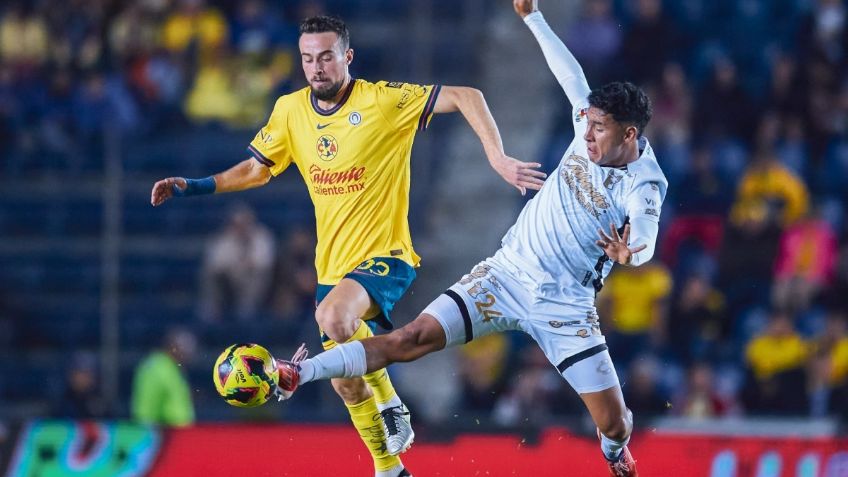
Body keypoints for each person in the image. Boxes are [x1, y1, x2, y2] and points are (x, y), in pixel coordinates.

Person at [275, 2, 667, 476]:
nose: (586, 133)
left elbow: (645, 236)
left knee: (617, 422)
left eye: (598, 129)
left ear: (629, 134)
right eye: (586, 122)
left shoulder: (645, 183)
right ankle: (299, 372)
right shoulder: (590, 119)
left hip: (566, 306)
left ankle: (612, 452)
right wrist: (533, 18)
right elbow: (568, 71)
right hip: (504, 275)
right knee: (410, 338)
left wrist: (633, 253)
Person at [150, 15, 544, 477]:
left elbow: (466, 95)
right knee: (347, 384)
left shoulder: (382, 101)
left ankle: (393, 402)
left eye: (326, 56)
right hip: (331, 271)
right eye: (307, 59)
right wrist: (194, 186)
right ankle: (388, 467)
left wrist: (497, 157)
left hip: (386, 257)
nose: (316, 68)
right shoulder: (291, 110)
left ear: (347, 57)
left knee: (334, 318)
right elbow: (258, 169)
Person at [131, 327, 197, 427]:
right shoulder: (157, 368)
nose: (188, 353)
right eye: (185, 348)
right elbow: (145, 410)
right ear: (172, 346)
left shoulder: (172, 368)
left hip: (179, 435)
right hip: (165, 436)